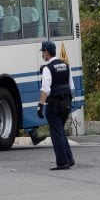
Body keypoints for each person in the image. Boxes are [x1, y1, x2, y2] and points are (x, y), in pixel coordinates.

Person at [37, 40, 75, 169]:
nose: (42, 54)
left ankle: (62, 162)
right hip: (66, 103)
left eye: (43, 51)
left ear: (47, 52)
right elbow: (72, 86)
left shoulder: (48, 68)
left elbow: (45, 89)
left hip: (54, 105)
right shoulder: (65, 65)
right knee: (60, 131)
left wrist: (40, 105)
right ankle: (69, 158)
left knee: (56, 133)